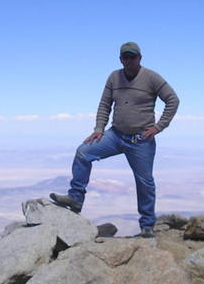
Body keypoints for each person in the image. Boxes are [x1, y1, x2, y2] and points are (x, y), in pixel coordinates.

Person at [51, 42, 180, 238]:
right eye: (125, 57)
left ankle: (147, 225)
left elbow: (173, 100)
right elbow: (105, 104)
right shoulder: (114, 77)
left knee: (145, 182)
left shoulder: (151, 77)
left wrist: (158, 127)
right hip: (116, 134)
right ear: (121, 59)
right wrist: (99, 129)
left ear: (140, 58)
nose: (129, 60)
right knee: (83, 152)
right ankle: (75, 198)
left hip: (140, 139)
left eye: (133, 57)